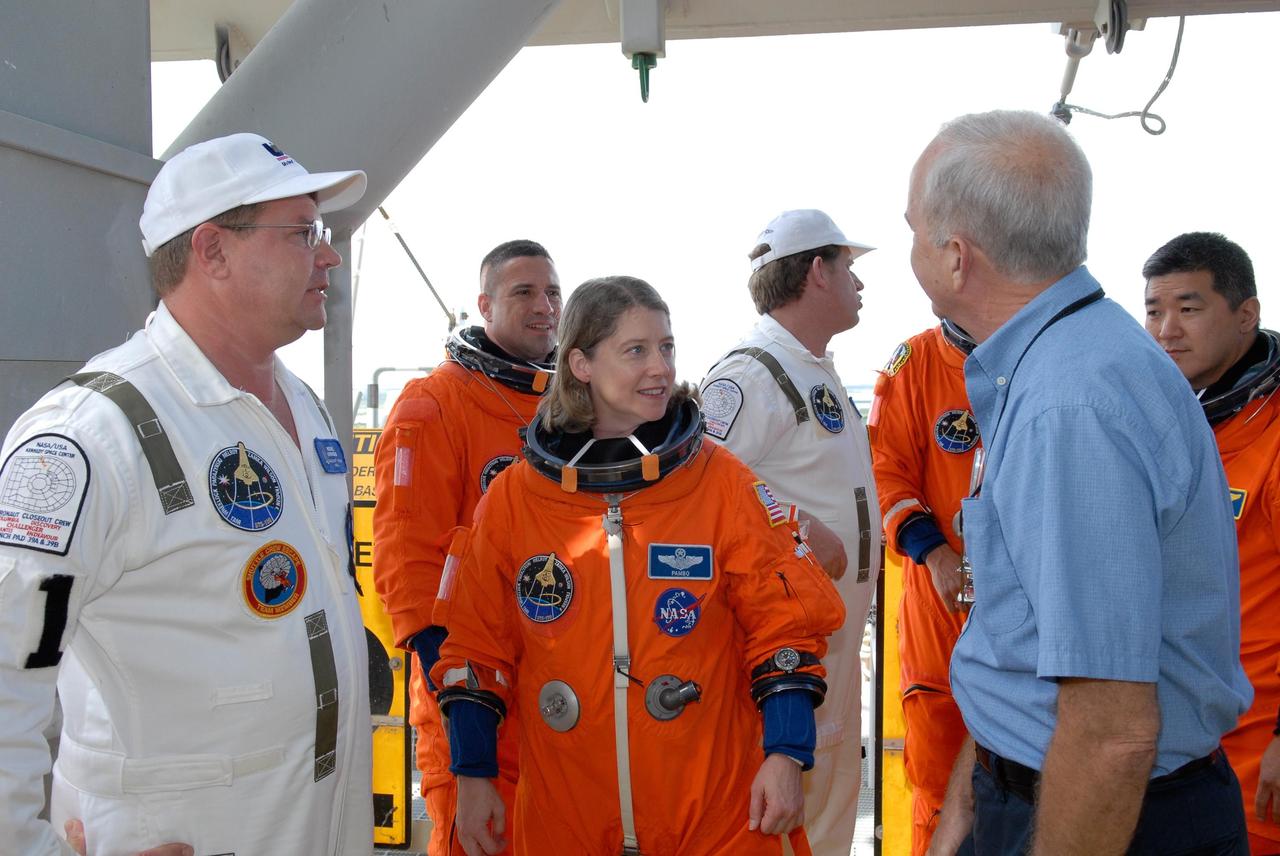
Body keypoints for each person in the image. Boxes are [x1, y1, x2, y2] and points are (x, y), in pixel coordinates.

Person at [0, 133, 374, 856]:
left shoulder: (302, 405)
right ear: (212, 251)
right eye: (303, 232)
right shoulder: (93, 437)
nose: (327, 255)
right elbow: (7, 666)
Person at [907, 111, 1252, 855]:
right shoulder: (1072, 361)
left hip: (1102, 814)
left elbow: (1112, 734)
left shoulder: (1069, 407)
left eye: (913, 231)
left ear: (958, 258)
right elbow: (1024, 642)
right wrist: (971, 794)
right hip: (1050, 789)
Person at [431, 276, 845, 856]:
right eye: (636, 350)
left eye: (667, 347)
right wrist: (474, 778)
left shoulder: (720, 481)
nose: (660, 368)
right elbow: (476, 649)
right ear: (581, 363)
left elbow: (785, 630)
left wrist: (785, 755)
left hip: (713, 809)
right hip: (567, 811)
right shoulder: (517, 497)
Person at [699, 208, 880, 856]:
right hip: (787, 657)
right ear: (816, 273)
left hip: (830, 647)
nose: (861, 284)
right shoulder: (750, 376)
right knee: (783, 827)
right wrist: (800, 527)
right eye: (849, 268)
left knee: (826, 819)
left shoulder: (812, 370)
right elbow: (698, 490)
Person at [373, 239, 561, 854]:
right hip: (477, 702)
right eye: (524, 292)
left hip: (564, 694)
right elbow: (409, 570)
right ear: (483, 304)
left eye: (553, 293)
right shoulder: (434, 407)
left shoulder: (575, 411)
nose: (545, 306)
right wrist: (467, 713)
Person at [1143, 231, 1280, 855]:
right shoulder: (1172, 421)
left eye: (1189, 309)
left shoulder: (1269, 428)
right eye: (1154, 310)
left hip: (1261, 745)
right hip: (1187, 739)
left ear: (1246, 315)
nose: (1167, 329)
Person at [867, 318, 976, 855]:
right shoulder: (916, 364)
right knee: (938, 789)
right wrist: (933, 552)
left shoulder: (1050, 352)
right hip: (942, 616)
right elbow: (885, 472)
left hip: (1037, 619)